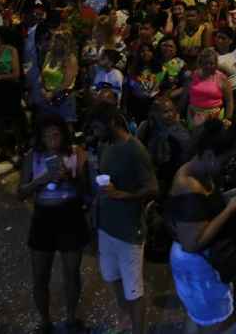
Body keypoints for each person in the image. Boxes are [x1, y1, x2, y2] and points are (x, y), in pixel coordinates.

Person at [165, 119, 236, 331]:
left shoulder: (200, 171)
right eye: (226, 161)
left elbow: (205, 208)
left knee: (198, 319)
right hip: (196, 265)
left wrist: (226, 197)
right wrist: (229, 209)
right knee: (216, 323)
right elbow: (193, 243)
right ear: (210, 155)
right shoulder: (187, 185)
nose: (227, 167)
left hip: (201, 265)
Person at [88, 103, 159, 334]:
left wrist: (124, 195)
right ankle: (125, 318)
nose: (95, 134)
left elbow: (152, 188)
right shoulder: (106, 145)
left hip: (129, 231)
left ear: (111, 123)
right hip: (106, 227)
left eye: (98, 128)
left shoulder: (135, 150)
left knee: (134, 289)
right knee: (112, 277)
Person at [17, 115, 91, 333]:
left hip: (70, 216)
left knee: (72, 273)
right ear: (40, 137)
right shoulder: (33, 157)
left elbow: (86, 192)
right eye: (47, 135)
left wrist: (70, 178)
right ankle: (45, 322)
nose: (52, 140)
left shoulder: (76, 154)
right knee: (40, 275)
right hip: (43, 218)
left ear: (64, 135)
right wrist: (42, 180)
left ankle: (70, 318)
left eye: (56, 135)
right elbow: (20, 193)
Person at [0, 25, 27, 161]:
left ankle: (20, 148)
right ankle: (3, 149)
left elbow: (16, 73)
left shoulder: (11, 50)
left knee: (15, 119)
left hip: (10, 89)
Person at [136, 96, 191, 192]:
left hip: (172, 176)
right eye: (165, 112)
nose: (170, 115)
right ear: (155, 114)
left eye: (172, 111)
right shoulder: (146, 127)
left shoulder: (181, 132)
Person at [187, 47, 233, 130]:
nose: (208, 66)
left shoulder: (222, 78)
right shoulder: (194, 75)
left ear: (216, 64)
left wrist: (228, 118)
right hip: (193, 113)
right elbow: (186, 92)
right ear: (200, 63)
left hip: (214, 116)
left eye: (211, 63)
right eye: (205, 63)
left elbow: (229, 101)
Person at [40, 30, 80, 124]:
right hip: (47, 96)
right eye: (55, 40)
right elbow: (42, 75)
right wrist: (43, 89)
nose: (56, 43)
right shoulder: (49, 55)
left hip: (63, 98)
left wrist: (52, 93)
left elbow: (67, 83)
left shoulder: (71, 59)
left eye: (60, 41)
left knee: (65, 126)